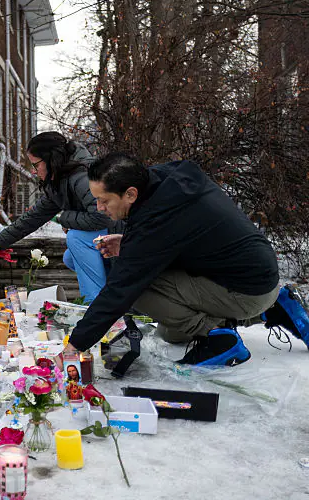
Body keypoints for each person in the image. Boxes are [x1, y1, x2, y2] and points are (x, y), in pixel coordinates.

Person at [64, 152, 309, 367]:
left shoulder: (158, 217)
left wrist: (73, 347)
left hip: (247, 291)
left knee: (138, 288)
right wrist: (129, 244)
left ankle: (220, 340)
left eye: (104, 200)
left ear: (130, 193)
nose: (98, 207)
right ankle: (274, 310)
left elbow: (119, 290)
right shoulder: (168, 180)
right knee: (171, 334)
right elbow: (176, 236)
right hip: (256, 278)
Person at [0, 132, 122, 302]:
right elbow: (34, 216)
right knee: (70, 257)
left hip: (120, 236)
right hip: (103, 236)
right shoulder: (61, 180)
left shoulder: (82, 175)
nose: (33, 171)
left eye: (36, 165)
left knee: (75, 238)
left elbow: (102, 217)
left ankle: (96, 305)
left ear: (50, 159)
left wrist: (64, 217)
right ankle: (115, 294)